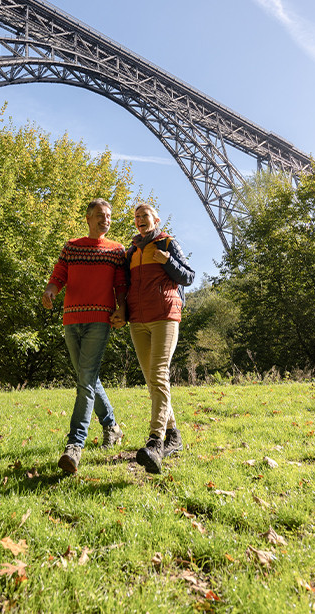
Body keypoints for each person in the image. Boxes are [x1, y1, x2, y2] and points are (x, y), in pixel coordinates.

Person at [42, 198, 128, 475]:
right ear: (89, 218)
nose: (106, 220)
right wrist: (51, 290)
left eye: (109, 216)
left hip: (99, 321)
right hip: (71, 319)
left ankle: (74, 445)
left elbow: (121, 285)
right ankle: (112, 426)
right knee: (86, 377)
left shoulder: (116, 250)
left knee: (86, 380)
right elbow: (59, 275)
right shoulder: (72, 247)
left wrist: (122, 309)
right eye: (101, 216)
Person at [125, 202, 194, 474]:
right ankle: (174, 435)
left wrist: (169, 262)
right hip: (137, 320)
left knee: (159, 374)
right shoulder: (131, 251)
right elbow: (124, 285)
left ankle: (155, 442)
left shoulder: (167, 244)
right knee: (151, 379)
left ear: (156, 220)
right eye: (137, 217)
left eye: (146, 216)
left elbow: (188, 276)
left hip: (165, 315)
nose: (141, 220)